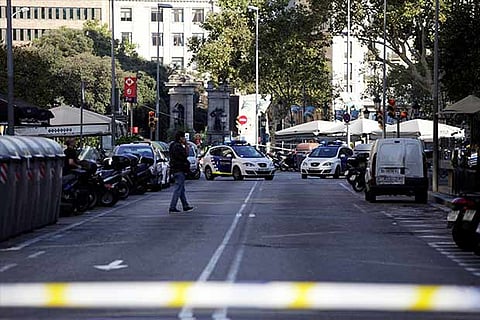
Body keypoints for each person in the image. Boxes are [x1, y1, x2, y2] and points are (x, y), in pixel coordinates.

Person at [168, 130, 194, 213]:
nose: (184, 139)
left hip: (174, 169)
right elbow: (185, 155)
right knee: (178, 188)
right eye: (183, 138)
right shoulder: (178, 147)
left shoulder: (172, 145)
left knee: (181, 189)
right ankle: (172, 206)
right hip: (179, 169)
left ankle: (185, 205)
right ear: (180, 138)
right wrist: (186, 145)